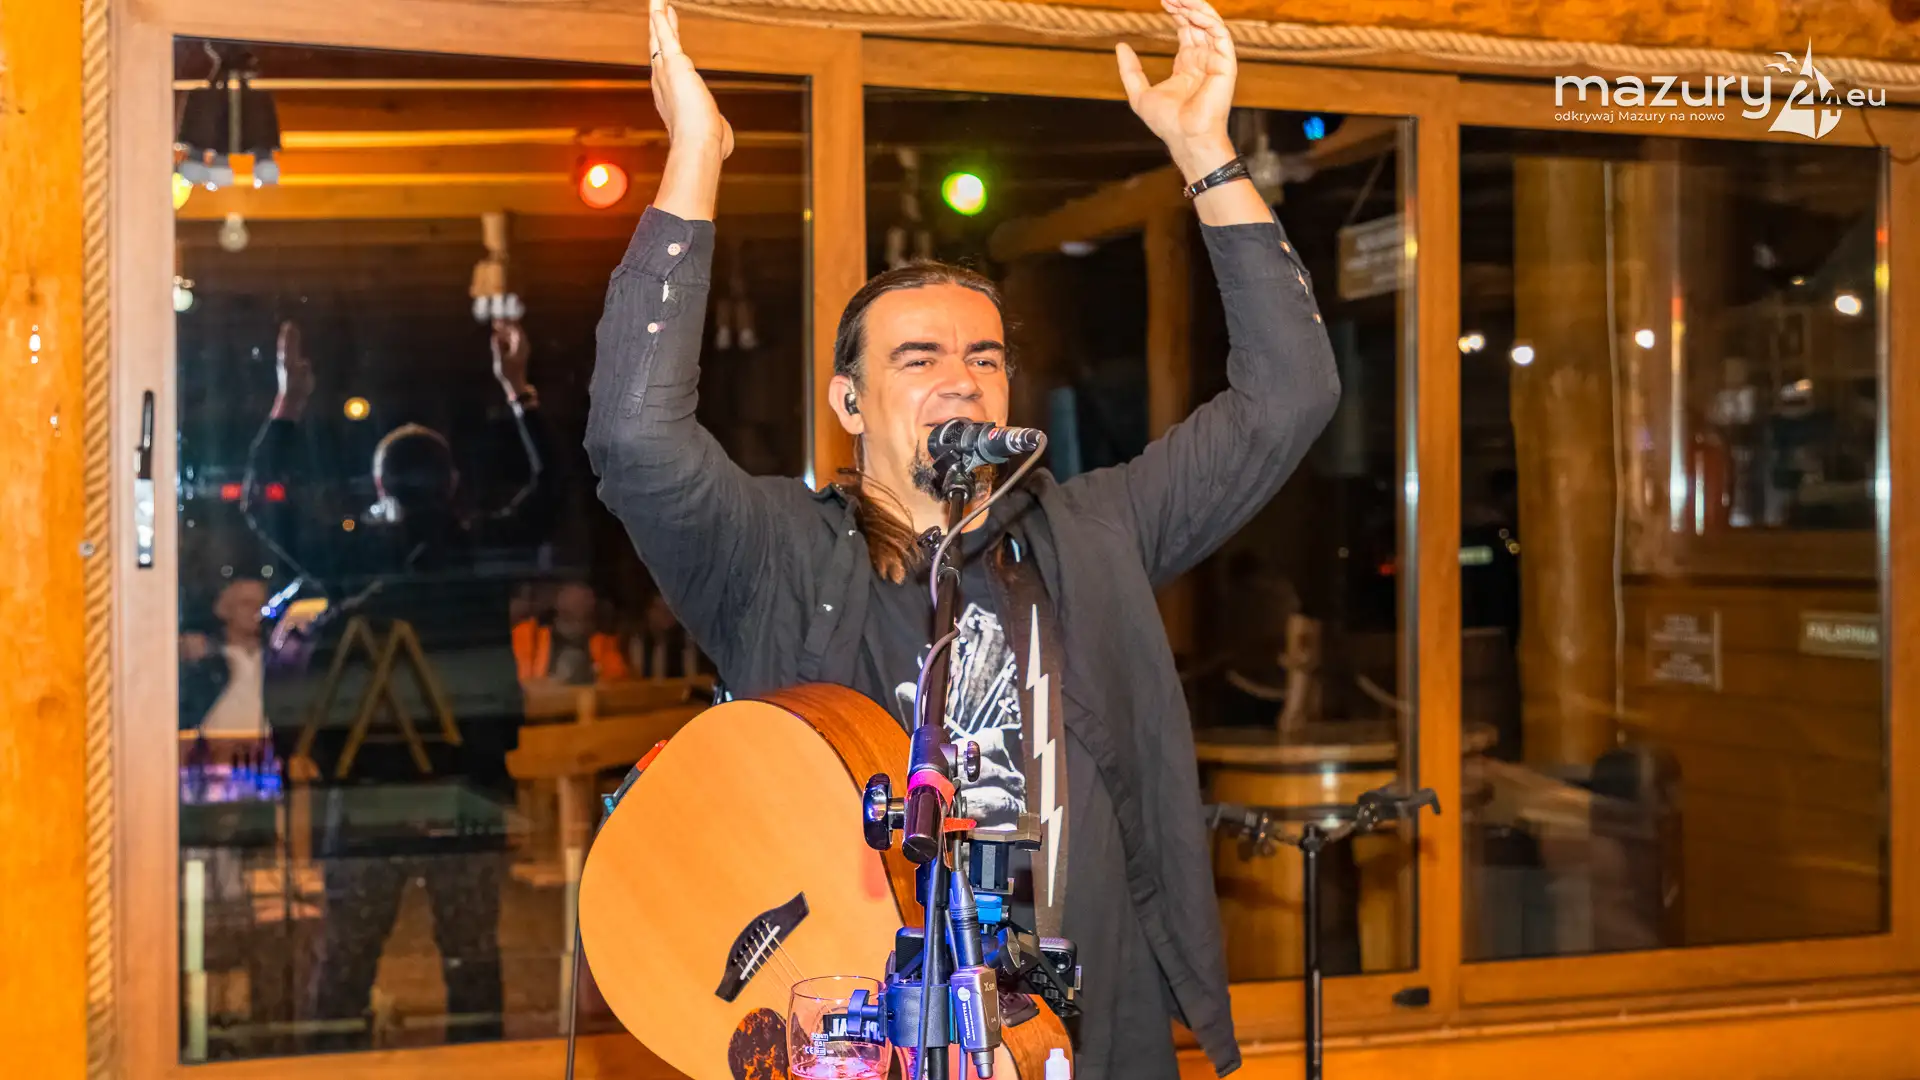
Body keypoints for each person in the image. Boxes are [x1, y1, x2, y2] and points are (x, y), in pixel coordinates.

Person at [586, 0, 1337, 1074]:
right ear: (849, 405)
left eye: (985, 357)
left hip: (1090, 1030)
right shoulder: (772, 556)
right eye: (919, 358)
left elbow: (1290, 395)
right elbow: (634, 435)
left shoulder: (1095, 532)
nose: (962, 378)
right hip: (866, 1032)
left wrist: (1204, 154)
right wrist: (696, 157)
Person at [245, 317, 553, 1050]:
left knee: (345, 975)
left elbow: (265, 504)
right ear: (452, 484)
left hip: (368, 798)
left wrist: (289, 403)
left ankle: (327, 1074)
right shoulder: (480, 557)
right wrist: (519, 393)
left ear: (381, 486)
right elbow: (553, 491)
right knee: (473, 970)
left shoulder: (357, 559)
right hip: (468, 794)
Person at [181, 576, 270, 737]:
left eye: (261, 604)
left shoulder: (276, 656)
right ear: (225, 609)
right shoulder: (205, 660)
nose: (256, 611)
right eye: (246, 604)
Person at [512, 580, 632, 685]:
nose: (578, 604)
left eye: (586, 615)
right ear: (558, 608)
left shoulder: (603, 645)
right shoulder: (527, 636)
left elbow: (619, 686)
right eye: (569, 615)